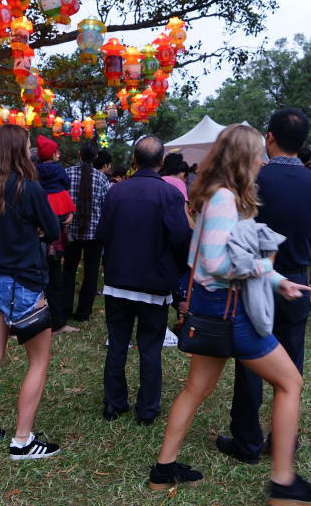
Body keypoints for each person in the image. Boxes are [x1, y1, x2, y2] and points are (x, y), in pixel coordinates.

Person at [148, 125, 311, 505]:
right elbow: (215, 262)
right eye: (258, 155)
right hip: (228, 311)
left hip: (213, 306)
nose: (264, 160)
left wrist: (278, 280)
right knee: (290, 383)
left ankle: (163, 472)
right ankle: (283, 484)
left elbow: (230, 256)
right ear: (243, 159)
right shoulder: (224, 200)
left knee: (197, 388)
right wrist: (266, 272)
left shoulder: (219, 197)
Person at [216, 108, 311, 465]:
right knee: (290, 368)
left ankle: (246, 441)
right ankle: (284, 441)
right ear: (304, 143)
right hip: (295, 277)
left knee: (250, 362)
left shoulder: (256, 180)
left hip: (255, 278)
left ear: (270, 138)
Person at [0, 124, 62, 459]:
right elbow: (52, 231)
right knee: (39, 361)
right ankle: (22, 441)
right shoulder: (29, 188)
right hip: (20, 281)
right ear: (19, 151)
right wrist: (35, 229)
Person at [97, 136, 191, 426]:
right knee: (150, 347)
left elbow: (103, 234)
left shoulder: (115, 192)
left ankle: (114, 403)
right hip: (154, 281)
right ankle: (147, 409)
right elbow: (182, 238)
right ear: (161, 162)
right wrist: (175, 269)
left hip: (119, 280)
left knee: (118, 344)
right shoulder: (169, 195)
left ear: (134, 160)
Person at [34, 135, 77, 335]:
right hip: (60, 202)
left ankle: (36, 319)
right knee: (54, 273)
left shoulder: (34, 171)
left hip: (43, 210)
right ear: (53, 153)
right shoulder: (59, 169)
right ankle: (61, 239)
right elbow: (66, 183)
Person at [63, 140, 110, 322]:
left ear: (78, 154)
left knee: (68, 270)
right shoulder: (102, 179)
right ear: (96, 157)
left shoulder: (67, 174)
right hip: (94, 234)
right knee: (91, 273)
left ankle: (65, 310)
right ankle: (83, 313)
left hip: (71, 232)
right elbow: (106, 207)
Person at [161, 153, 195, 228]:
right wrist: (195, 231)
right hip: (172, 227)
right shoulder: (178, 182)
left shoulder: (159, 179)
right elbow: (184, 212)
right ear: (182, 175)